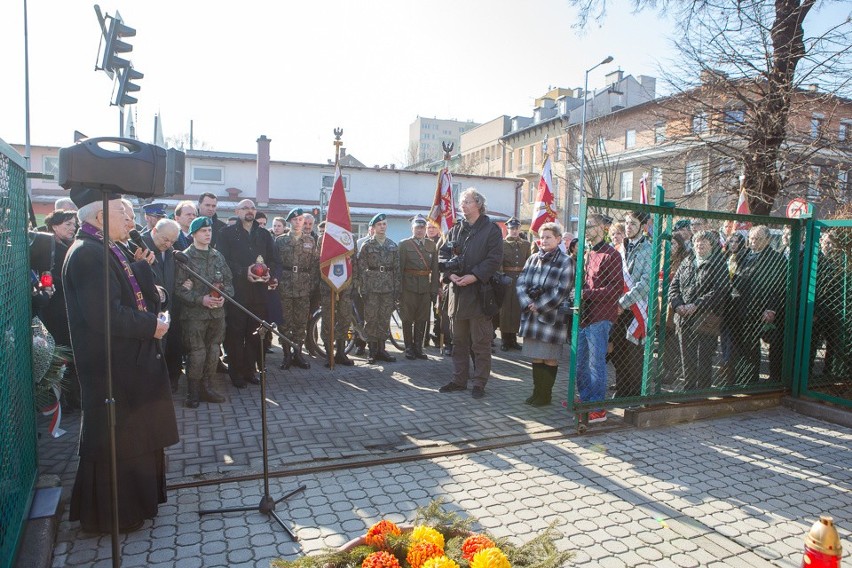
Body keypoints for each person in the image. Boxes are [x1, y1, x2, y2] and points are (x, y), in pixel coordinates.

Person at [63, 187, 178, 534]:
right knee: (117, 441)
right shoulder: (87, 253)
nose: (132, 221)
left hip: (129, 363)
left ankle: (135, 506)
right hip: (110, 368)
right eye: (124, 215)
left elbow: (135, 297)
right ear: (100, 218)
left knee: (135, 437)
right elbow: (106, 316)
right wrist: (151, 327)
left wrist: (146, 276)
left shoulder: (110, 247)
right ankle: (113, 514)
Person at [438, 188, 503, 399]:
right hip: (457, 295)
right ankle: (459, 380)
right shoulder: (456, 229)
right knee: (458, 342)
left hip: (479, 294)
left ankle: (479, 383)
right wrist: (449, 275)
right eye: (461, 202)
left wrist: (474, 276)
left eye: (466, 201)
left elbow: (494, 259)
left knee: (480, 343)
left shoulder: (491, 230)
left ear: (478, 204)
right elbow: (443, 255)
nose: (462, 205)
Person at [216, 199, 278, 388]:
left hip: (259, 294)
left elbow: (274, 260)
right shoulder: (225, 234)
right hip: (237, 293)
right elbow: (222, 261)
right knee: (235, 334)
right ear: (237, 211)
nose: (249, 211)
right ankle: (236, 373)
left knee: (254, 334)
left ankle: (250, 370)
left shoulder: (265, 235)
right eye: (245, 208)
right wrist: (245, 271)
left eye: (252, 208)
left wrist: (270, 274)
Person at [175, 216, 232, 408]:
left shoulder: (218, 256)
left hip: (217, 314)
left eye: (209, 231)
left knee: (213, 351)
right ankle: (193, 391)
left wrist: (224, 296)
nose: (208, 234)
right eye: (203, 231)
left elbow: (229, 283)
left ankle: (207, 387)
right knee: (197, 353)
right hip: (194, 316)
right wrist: (201, 299)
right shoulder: (185, 258)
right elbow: (179, 289)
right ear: (193, 235)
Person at [516, 222, 574, 406]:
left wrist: (539, 305)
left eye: (549, 237)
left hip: (551, 317)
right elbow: (520, 282)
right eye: (542, 237)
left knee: (549, 357)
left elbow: (562, 290)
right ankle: (536, 392)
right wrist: (527, 302)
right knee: (536, 355)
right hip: (532, 316)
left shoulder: (566, 261)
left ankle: (545, 395)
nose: (544, 240)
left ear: (558, 239)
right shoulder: (533, 258)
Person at [575, 213, 623, 423]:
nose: (587, 230)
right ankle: (586, 399)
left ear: (603, 228)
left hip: (601, 316)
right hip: (585, 315)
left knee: (596, 363)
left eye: (590, 226)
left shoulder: (611, 255)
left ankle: (598, 407)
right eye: (584, 226)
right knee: (580, 362)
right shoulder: (587, 253)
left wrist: (587, 294)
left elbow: (615, 289)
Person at [669, 230, 729, 391]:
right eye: (696, 242)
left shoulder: (718, 263)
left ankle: (702, 390)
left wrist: (696, 305)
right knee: (686, 355)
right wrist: (677, 304)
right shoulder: (687, 261)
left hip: (705, 319)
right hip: (683, 317)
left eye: (704, 242)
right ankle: (688, 387)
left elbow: (719, 290)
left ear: (712, 245)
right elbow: (674, 286)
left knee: (703, 356)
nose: (699, 245)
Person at [728, 225, 787, 385]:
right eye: (751, 238)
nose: (753, 242)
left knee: (751, 347)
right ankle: (740, 379)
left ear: (768, 240)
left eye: (758, 239)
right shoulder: (744, 254)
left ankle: (749, 382)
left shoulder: (775, 258)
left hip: (759, 308)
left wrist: (771, 308)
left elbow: (778, 287)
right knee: (739, 346)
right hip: (738, 307)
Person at [611, 211, 653, 399]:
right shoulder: (620, 249)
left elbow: (645, 282)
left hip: (637, 308)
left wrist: (623, 302)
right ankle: (622, 390)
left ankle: (635, 393)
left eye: (633, 224)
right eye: (627, 223)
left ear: (643, 227)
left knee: (634, 354)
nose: (628, 227)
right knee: (619, 352)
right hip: (618, 309)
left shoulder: (649, 249)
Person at [42, 209, 79, 410]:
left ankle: (70, 398)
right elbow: (47, 277)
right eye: (68, 225)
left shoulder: (68, 245)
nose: (73, 228)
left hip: (67, 306)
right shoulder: (49, 247)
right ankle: (60, 400)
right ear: (54, 226)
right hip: (55, 309)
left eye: (74, 224)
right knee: (61, 355)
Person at [142, 219, 184, 393]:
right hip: (149, 311)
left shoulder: (170, 251)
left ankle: (167, 383)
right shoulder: (141, 246)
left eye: (172, 242)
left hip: (167, 308)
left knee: (169, 348)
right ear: (154, 231)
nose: (168, 244)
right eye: (165, 240)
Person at [275, 207, 317, 370]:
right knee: (285, 322)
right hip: (285, 285)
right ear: (290, 222)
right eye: (295, 220)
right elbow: (275, 263)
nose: (298, 222)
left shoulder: (310, 241)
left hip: (303, 287)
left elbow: (314, 265)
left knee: (300, 322)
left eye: (301, 220)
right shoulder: (280, 241)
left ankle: (298, 353)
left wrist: (311, 285)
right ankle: (286, 355)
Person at [357, 213, 400, 364]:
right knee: (371, 319)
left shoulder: (392, 245)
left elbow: (397, 269)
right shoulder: (367, 245)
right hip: (372, 287)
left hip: (388, 287)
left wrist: (397, 289)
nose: (382, 227)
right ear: (373, 228)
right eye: (379, 224)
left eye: (384, 224)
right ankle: (372, 350)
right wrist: (362, 288)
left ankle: (382, 349)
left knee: (384, 318)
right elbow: (361, 268)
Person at [399, 215, 439, 360]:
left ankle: (418, 348)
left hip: (425, 288)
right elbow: (399, 269)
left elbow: (435, 269)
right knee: (407, 318)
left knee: (422, 319)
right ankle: (408, 348)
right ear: (412, 228)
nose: (420, 231)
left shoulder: (431, 245)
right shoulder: (404, 245)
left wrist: (434, 289)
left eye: (422, 228)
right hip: (408, 288)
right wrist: (399, 290)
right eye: (417, 228)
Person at [499, 217, 530, 351]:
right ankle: (505, 340)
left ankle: (514, 340)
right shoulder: (502, 244)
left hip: (521, 280)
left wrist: (527, 280)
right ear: (508, 229)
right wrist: (501, 278)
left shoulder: (526, 244)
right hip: (506, 278)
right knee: (506, 311)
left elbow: (529, 263)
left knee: (517, 310)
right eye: (512, 228)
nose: (515, 231)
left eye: (517, 228)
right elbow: (499, 263)